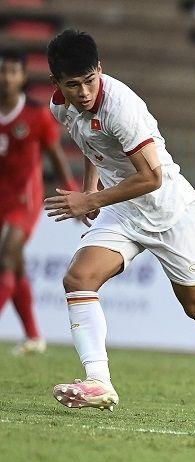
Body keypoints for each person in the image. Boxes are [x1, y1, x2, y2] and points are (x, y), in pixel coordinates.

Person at [43, 30, 195, 411]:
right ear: (57, 84)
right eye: (72, 85)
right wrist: (89, 189)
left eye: (89, 81)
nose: (83, 92)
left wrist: (90, 199)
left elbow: (152, 177)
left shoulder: (121, 108)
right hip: (123, 209)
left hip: (167, 210)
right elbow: (92, 146)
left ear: (100, 70)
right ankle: (99, 381)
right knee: (78, 278)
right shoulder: (61, 106)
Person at [0, 48, 78, 355]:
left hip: (24, 199)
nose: (6, 77)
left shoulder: (35, 115)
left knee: (6, 256)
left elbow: (55, 154)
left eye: (12, 72)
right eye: (2, 71)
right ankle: (33, 335)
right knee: (14, 266)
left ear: (22, 77)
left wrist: (70, 190)